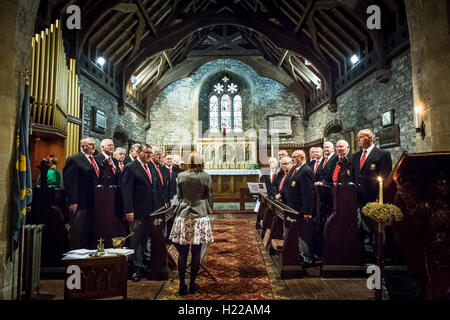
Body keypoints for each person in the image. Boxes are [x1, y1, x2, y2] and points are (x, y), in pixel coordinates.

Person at [169, 152, 214, 295]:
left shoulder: (181, 176)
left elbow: (180, 195)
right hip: (199, 215)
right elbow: (209, 195)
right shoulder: (206, 176)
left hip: (184, 214)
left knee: (182, 254)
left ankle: (182, 285)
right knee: (196, 252)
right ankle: (193, 283)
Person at [351, 129, 392, 257]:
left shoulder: (381, 154)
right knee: (363, 226)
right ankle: (366, 250)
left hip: (373, 196)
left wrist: (380, 198)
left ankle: (379, 252)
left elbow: (385, 177)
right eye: (357, 137)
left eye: (361, 137)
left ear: (370, 138)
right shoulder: (356, 156)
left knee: (376, 227)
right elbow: (353, 176)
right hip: (359, 197)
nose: (358, 140)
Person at [121, 144, 154, 282]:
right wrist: (129, 210)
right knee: (136, 241)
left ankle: (143, 266)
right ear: (139, 153)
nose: (149, 155)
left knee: (145, 240)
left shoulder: (150, 166)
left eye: (150, 153)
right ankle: (135, 269)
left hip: (149, 211)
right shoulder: (131, 167)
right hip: (136, 211)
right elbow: (126, 190)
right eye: (146, 152)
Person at [278, 150, 315, 266]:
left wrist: (307, 211)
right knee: (295, 233)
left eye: (295, 157)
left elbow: (308, 193)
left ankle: (307, 258)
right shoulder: (296, 169)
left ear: (302, 157)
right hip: (291, 207)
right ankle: (299, 254)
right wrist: (282, 195)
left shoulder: (306, 171)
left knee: (303, 233)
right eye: (292, 157)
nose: (293, 159)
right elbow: (288, 184)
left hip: (299, 208)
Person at [62, 137, 100, 249]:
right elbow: (70, 182)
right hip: (80, 203)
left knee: (89, 232)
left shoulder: (95, 160)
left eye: (93, 144)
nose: (93, 146)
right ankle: (75, 259)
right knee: (78, 232)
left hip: (93, 203)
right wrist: (73, 201)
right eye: (90, 144)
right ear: (83, 146)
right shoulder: (74, 159)